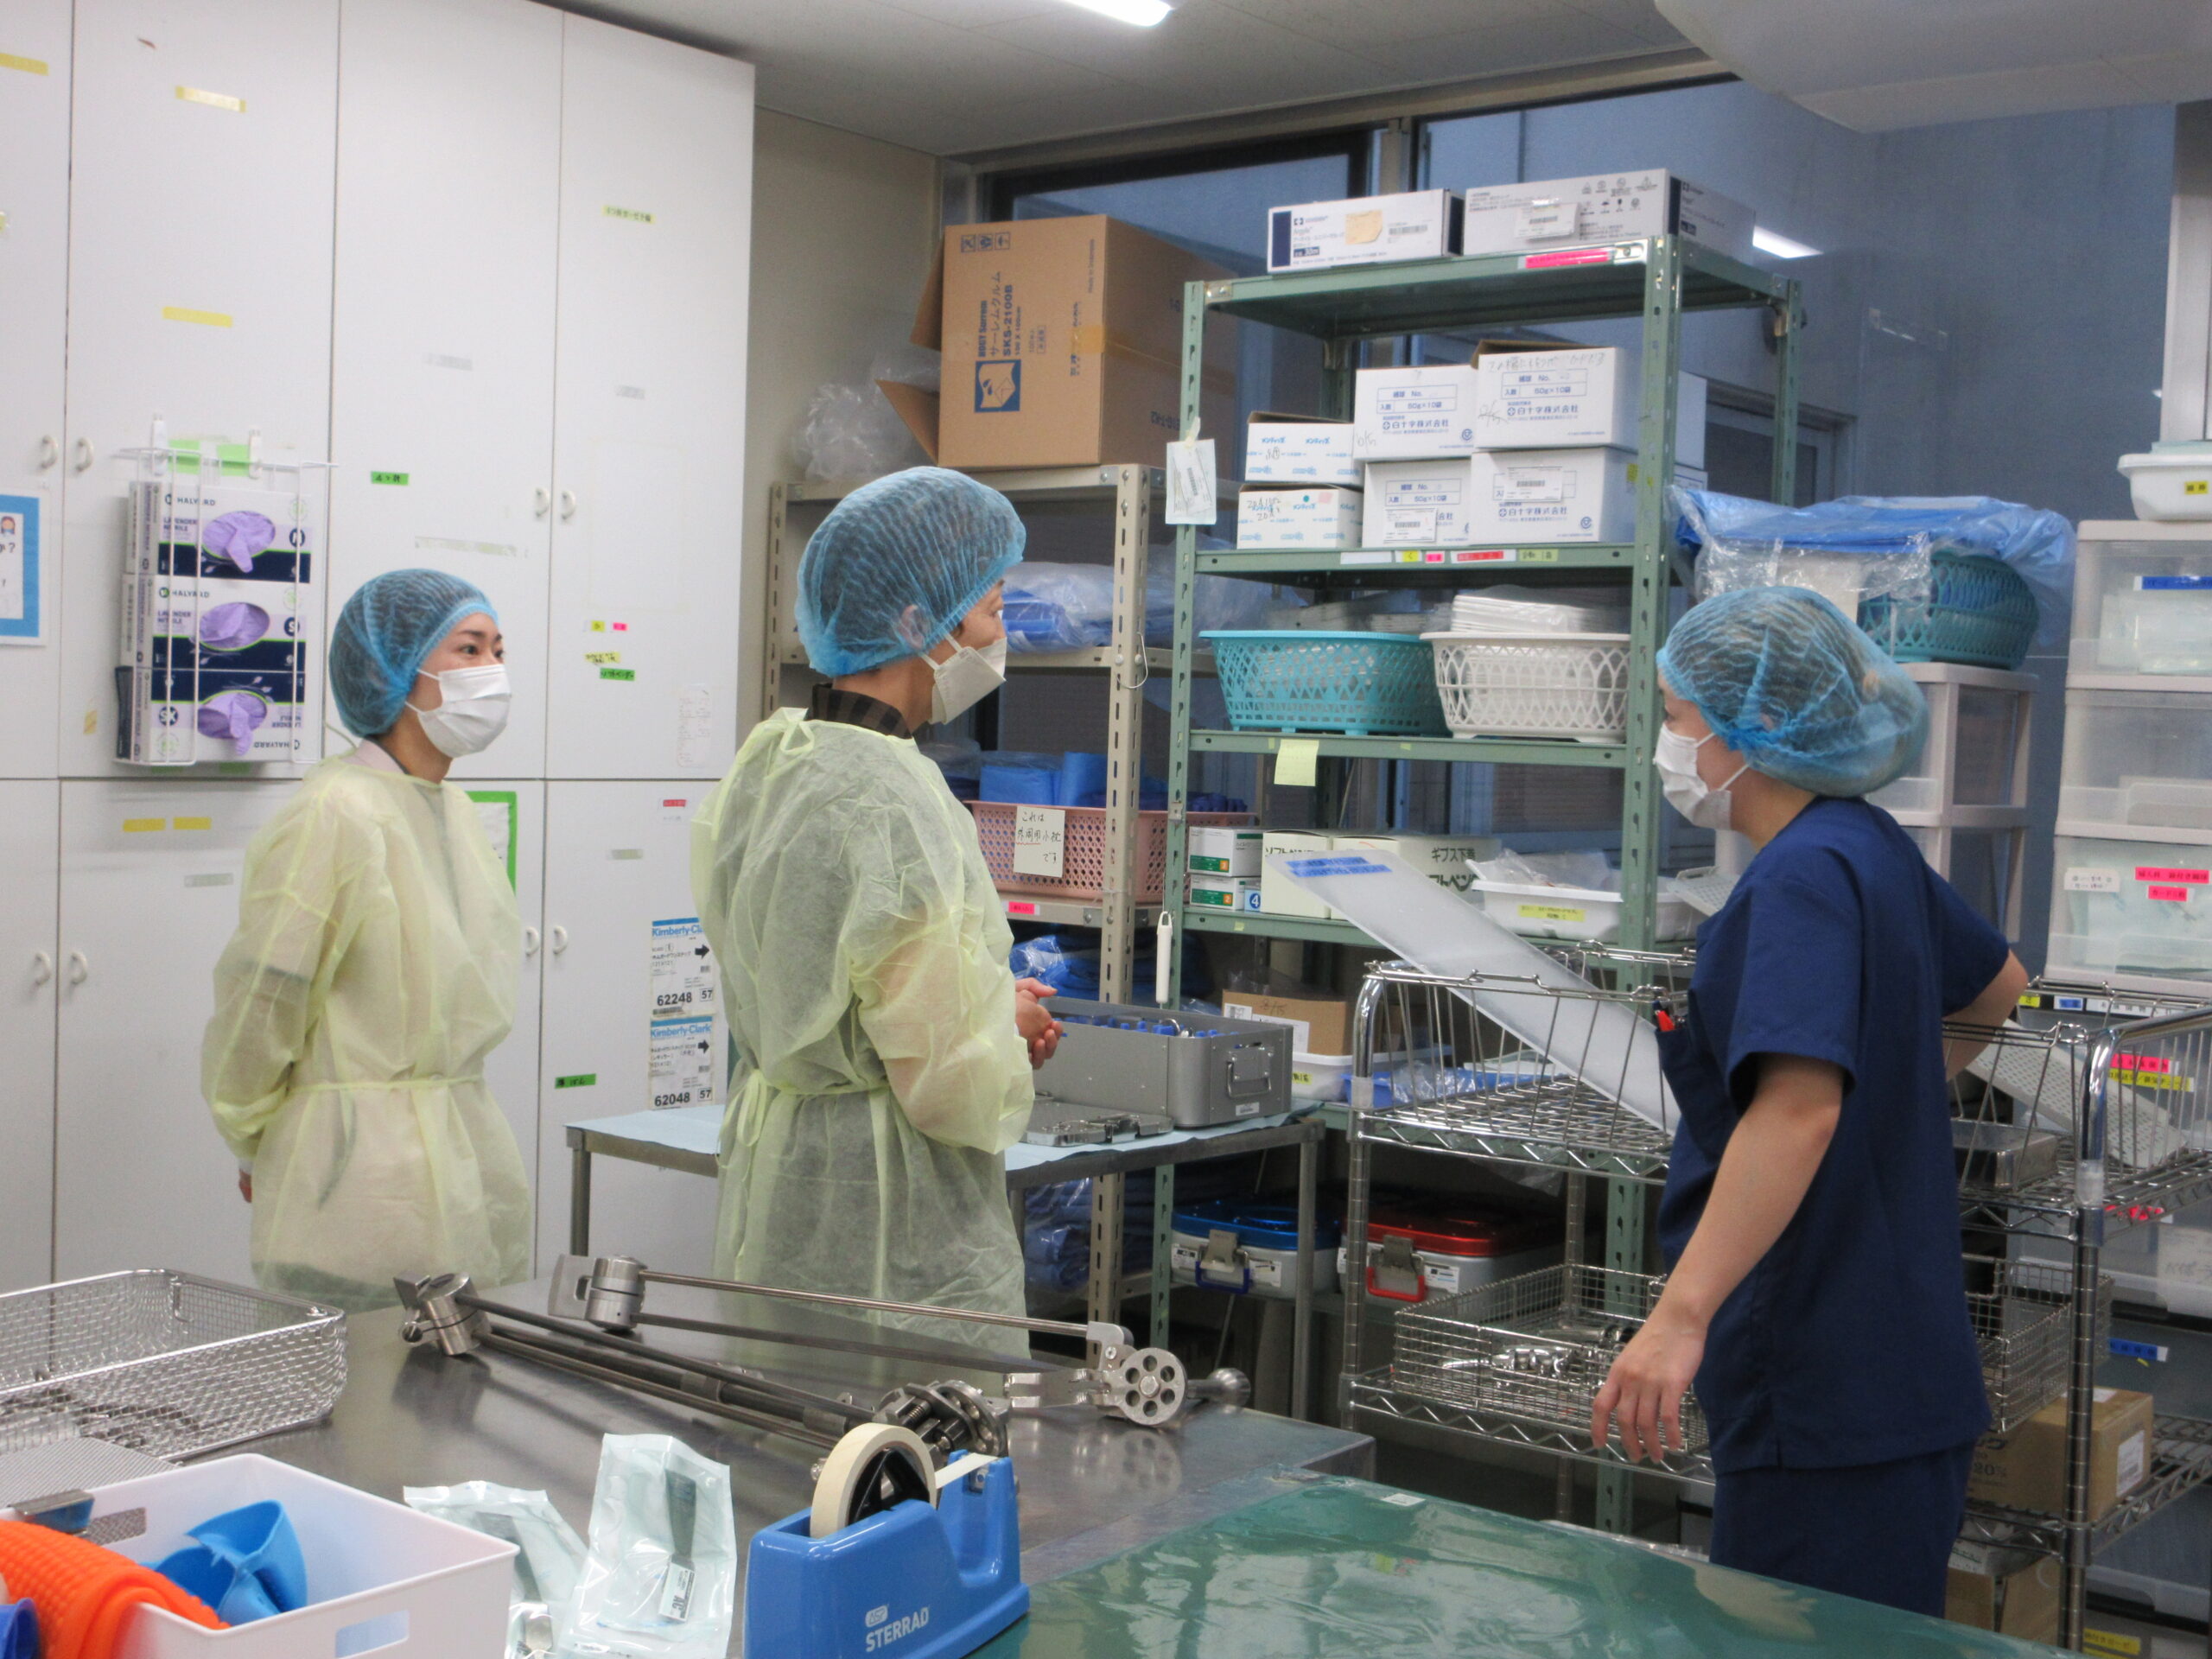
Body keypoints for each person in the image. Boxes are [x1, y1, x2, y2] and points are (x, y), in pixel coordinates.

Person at [1590, 586, 2029, 1616]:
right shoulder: (1864, 843)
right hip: (1898, 1364)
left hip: (1826, 1374)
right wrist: (1891, 1091)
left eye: (1676, 716)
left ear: (1756, 725)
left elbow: (1796, 1113)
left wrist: (1677, 1320)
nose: (1667, 745)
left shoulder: (1798, 880)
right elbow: (1998, 988)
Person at [691, 467, 1061, 1354]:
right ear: (920, 624)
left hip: (780, 1187)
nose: (999, 636)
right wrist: (1005, 1025)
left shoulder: (771, 761)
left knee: (783, 1418)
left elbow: (814, 976)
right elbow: (945, 1081)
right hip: (891, 1225)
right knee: (907, 1437)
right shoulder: (893, 798)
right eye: (990, 610)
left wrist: (980, 1011)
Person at [202, 569, 532, 1313]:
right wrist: (253, 1135)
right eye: (469, 648)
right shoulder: (334, 813)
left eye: (498, 650)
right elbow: (263, 1000)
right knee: (370, 1380)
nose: (492, 670)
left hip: (458, 1162)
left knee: (454, 1381)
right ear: (393, 669)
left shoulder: (450, 812)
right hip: (353, 1181)